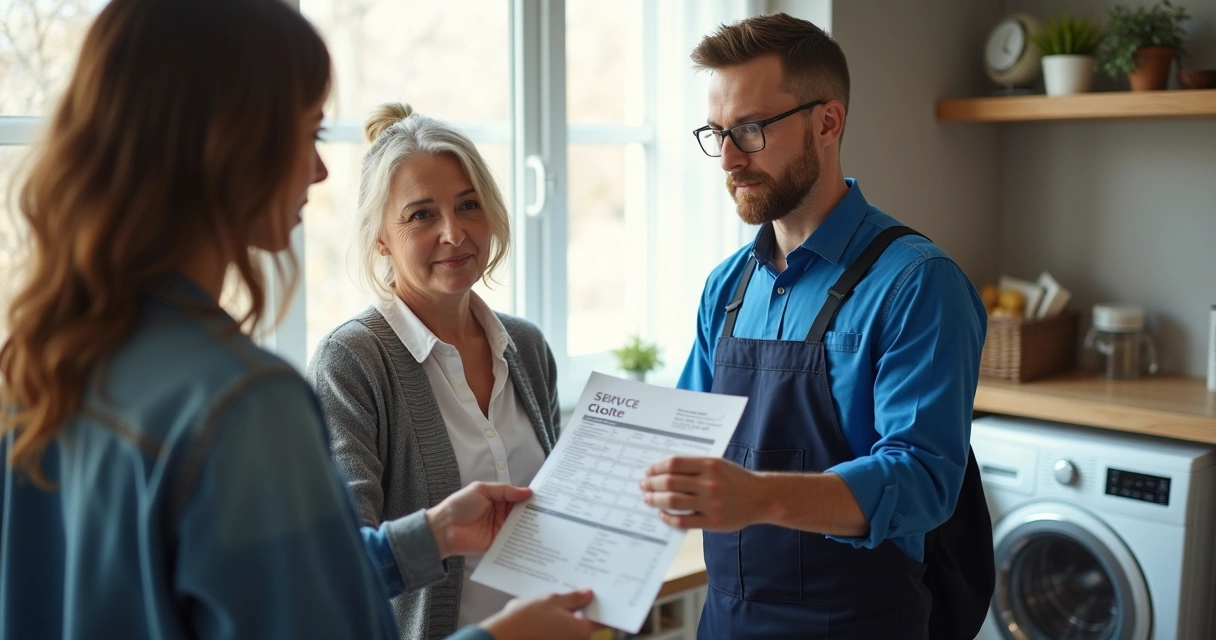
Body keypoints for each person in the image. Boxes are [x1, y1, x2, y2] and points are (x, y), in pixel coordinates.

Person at [0, 2, 593, 639]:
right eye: (308, 133)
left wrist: (429, 536)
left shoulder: (41, 361)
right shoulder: (246, 404)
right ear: (227, 147)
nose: (320, 170)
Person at [639, 13, 988, 639]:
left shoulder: (917, 283)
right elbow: (689, 435)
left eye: (750, 129)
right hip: (726, 621)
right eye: (716, 133)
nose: (728, 159)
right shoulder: (726, 287)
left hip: (860, 624)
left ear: (827, 122)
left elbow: (923, 479)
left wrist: (761, 497)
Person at [306, 103, 561, 639]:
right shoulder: (350, 362)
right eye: (421, 215)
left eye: (468, 205)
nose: (454, 232)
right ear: (380, 238)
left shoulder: (527, 347)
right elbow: (339, 564)